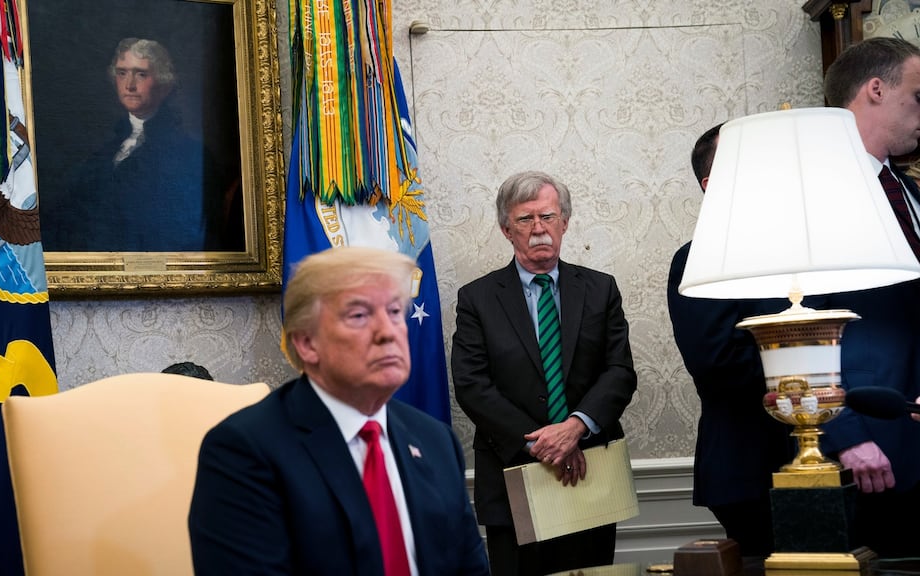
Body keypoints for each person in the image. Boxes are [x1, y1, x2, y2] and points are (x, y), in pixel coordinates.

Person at [188, 246, 490, 575]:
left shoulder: (435, 440)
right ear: (307, 343)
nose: (387, 332)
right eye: (359, 315)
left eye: (394, 311)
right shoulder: (244, 451)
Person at [451, 171, 637, 576]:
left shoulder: (601, 289)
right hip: (512, 476)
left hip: (589, 470)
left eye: (548, 216)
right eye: (525, 219)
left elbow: (619, 371)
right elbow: (471, 384)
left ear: (564, 223)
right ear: (507, 230)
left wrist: (574, 428)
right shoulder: (477, 299)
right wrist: (544, 443)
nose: (538, 228)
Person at [666, 123, 798, 558]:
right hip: (749, 465)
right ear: (711, 184)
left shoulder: (798, 247)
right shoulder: (697, 257)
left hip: (819, 456)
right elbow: (716, 361)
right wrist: (803, 365)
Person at [820, 36, 920, 558]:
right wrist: (848, 434)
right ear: (876, 89)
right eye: (918, 97)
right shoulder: (811, 191)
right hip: (867, 452)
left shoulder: (909, 191)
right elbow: (793, 326)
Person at [41, 38, 226, 252]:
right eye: (122, 73)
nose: (129, 85)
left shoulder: (190, 155)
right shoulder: (105, 150)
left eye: (141, 74)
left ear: (164, 85)